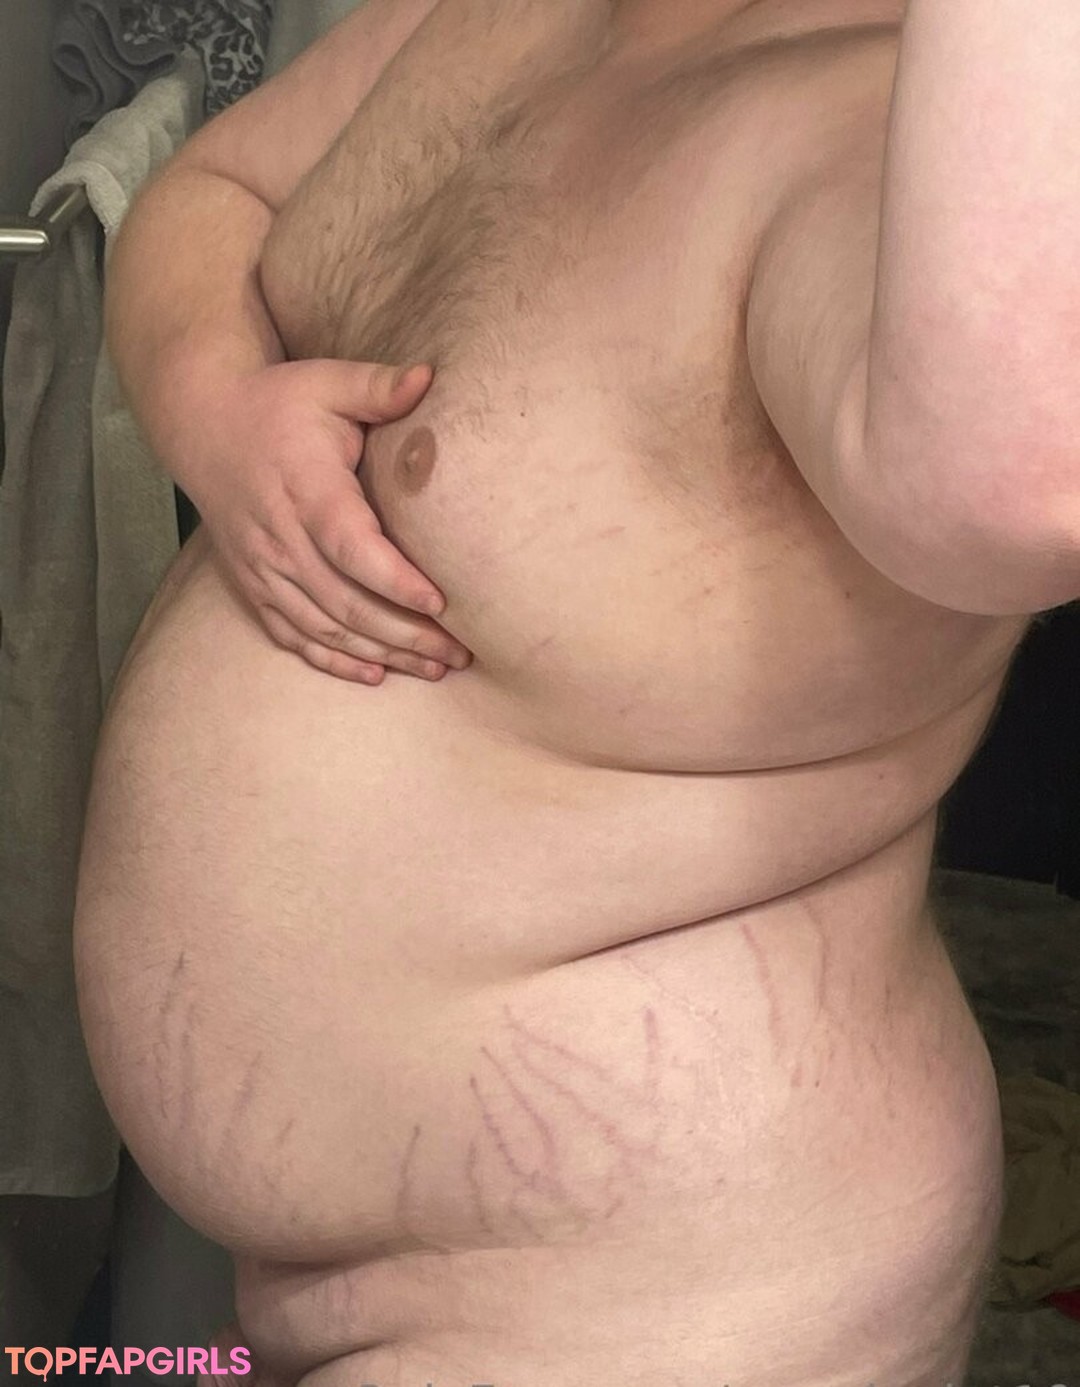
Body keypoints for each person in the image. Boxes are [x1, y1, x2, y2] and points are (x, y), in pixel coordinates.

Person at [73, 0, 1080, 1381]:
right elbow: (217, 189)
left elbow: (1016, 498)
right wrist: (212, 400)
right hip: (314, 1287)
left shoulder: (879, 129)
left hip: (648, 1296)